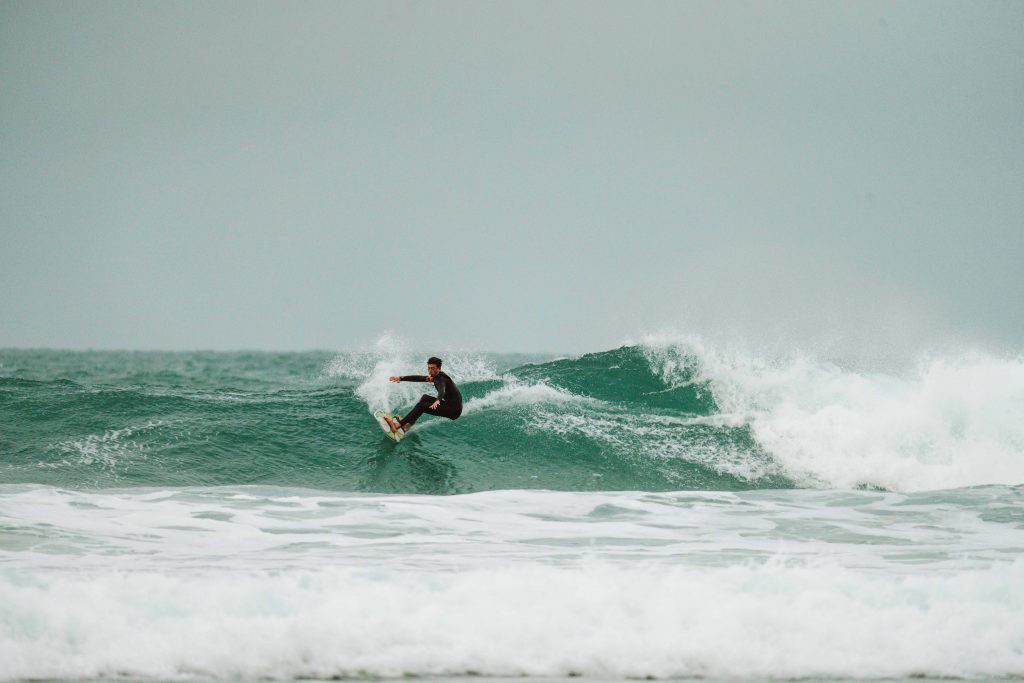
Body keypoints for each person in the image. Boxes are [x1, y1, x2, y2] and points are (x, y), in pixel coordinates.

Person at [384, 356, 462, 435]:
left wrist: (438, 400)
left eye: (433, 368)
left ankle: (397, 425)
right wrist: (401, 378)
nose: (430, 371)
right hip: (450, 405)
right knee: (425, 398)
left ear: (439, 368)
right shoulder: (435, 377)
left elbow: (442, 389)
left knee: (421, 406)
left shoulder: (441, 379)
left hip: (454, 410)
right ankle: (408, 425)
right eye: (429, 368)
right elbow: (419, 378)